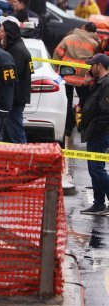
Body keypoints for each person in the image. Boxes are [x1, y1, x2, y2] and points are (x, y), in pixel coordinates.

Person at [54, 22, 101, 149]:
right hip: (83, 79)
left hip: (66, 76)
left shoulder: (69, 38)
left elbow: (58, 52)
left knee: (66, 103)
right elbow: (97, 61)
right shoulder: (95, 43)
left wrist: (56, 68)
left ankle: (67, 129)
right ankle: (82, 127)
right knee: (86, 103)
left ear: (82, 28)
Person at [77, 53, 109, 215]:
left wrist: (96, 129)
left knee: (97, 168)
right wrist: (85, 85)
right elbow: (85, 103)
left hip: (100, 132)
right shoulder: (97, 83)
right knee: (93, 168)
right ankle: (98, 203)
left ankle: (101, 202)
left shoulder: (106, 84)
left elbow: (106, 113)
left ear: (100, 65)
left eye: (92, 65)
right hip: (94, 131)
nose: (90, 68)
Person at [1, 16, 33, 144]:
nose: (1, 34)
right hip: (14, 98)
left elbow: (12, 77)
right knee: (9, 132)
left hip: (15, 99)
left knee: (15, 132)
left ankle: (23, 158)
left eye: (3, 31)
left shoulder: (17, 51)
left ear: (9, 33)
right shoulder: (17, 47)